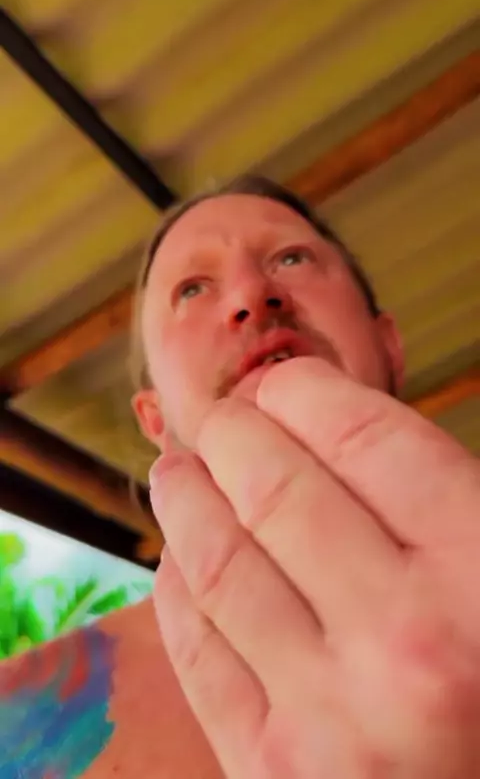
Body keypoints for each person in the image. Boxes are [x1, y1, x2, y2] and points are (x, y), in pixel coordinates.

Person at [1, 176, 478, 778]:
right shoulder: (22, 722)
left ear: (389, 346)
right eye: (191, 289)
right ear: (154, 417)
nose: (253, 295)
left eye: (291, 258)